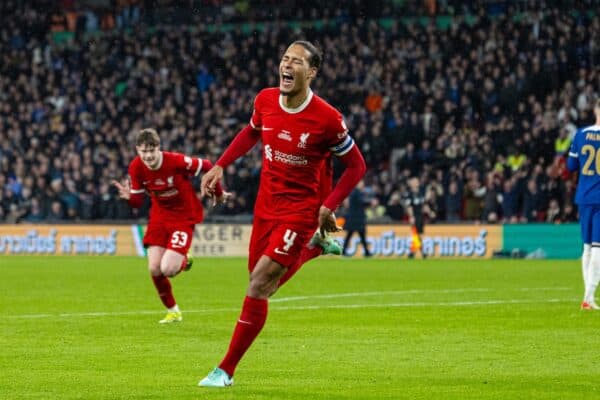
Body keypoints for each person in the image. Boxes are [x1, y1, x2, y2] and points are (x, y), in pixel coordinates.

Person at [197, 40, 367, 387]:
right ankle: (316, 249)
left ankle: (224, 371)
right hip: (266, 205)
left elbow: (356, 166)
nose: (287, 65)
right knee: (261, 284)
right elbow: (251, 132)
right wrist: (220, 165)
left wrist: (327, 205)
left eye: (297, 61)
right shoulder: (265, 100)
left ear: (312, 72)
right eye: (285, 59)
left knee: (258, 284)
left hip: (301, 210)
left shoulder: (328, 119)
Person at [113, 128, 227, 323]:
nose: (148, 156)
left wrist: (218, 193)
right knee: (154, 269)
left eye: (151, 151)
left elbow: (208, 166)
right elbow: (138, 203)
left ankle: (185, 259)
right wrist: (129, 198)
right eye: (143, 151)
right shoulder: (136, 168)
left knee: (168, 269)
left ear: (159, 148)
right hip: (159, 217)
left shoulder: (175, 161)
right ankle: (173, 311)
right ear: (137, 150)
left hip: (183, 216)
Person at [566, 98, 600, 310]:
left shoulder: (580, 134)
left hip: (584, 196)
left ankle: (587, 297)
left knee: (587, 247)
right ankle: (589, 296)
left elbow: (570, 166)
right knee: (598, 247)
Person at [341, 180, 372, 257]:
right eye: (362, 184)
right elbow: (361, 202)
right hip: (356, 219)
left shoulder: (354, 192)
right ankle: (366, 252)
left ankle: (366, 252)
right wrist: (370, 202)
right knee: (359, 235)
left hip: (354, 218)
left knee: (353, 235)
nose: (363, 185)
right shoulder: (356, 192)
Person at [403, 176, 429, 259]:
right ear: (411, 184)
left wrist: (430, 212)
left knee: (419, 235)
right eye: (414, 181)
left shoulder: (421, 193)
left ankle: (412, 252)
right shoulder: (409, 194)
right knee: (416, 234)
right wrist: (411, 216)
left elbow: (423, 205)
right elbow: (409, 206)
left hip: (420, 216)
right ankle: (421, 252)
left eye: (416, 181)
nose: (416, 182)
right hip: (415, 216)